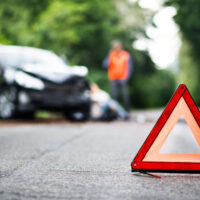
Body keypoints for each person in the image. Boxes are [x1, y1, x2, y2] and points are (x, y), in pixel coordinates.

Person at [103, 40, 133, 112]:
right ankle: (116, 112)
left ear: (120, 47)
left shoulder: (126, 54)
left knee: (125, 95)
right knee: (114, 96)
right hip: (113, 78)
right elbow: (105, 65)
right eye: (114, 47)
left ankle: (127, 111)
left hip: (123, 78)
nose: (116, 48)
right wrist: (109, 56)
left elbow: (130, 66)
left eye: (117, 47)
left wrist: (127, 77)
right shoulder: (111, 55)